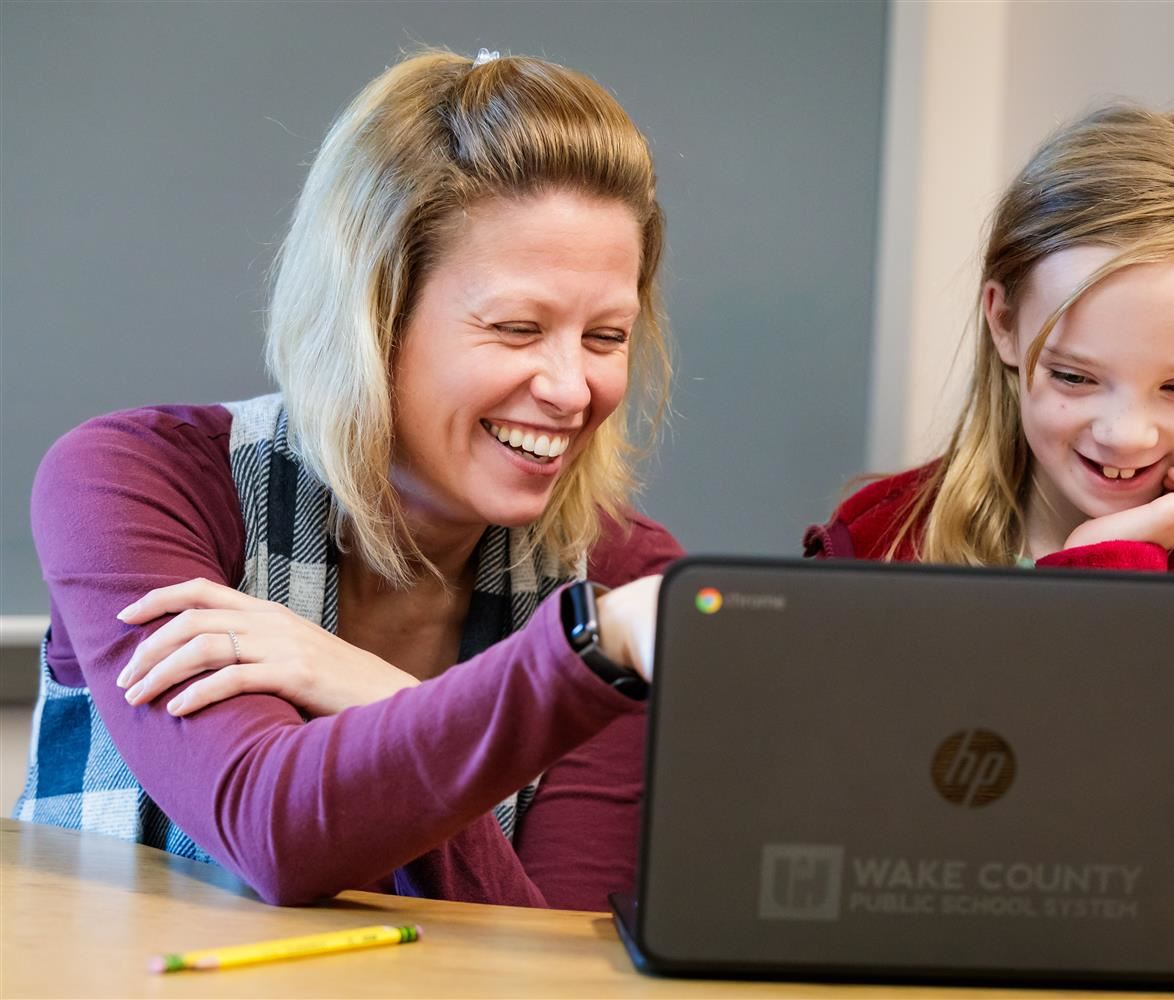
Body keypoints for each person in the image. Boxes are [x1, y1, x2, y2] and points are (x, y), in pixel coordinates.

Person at [15, 49, 679, 911]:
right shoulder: (135, 484)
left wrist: (371, 691)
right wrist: (579, 658)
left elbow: (549, 959)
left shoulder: (621, 580)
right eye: (518, 328)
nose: (571, 388)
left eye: (605, 337)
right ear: (372, 317)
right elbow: (273, 834)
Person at [805, 106, 1174, 846]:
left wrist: (1108, 563)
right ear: (1004, 323)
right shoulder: (883, 535)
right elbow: (841, 803)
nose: (1127, 433)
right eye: (1077, 376)